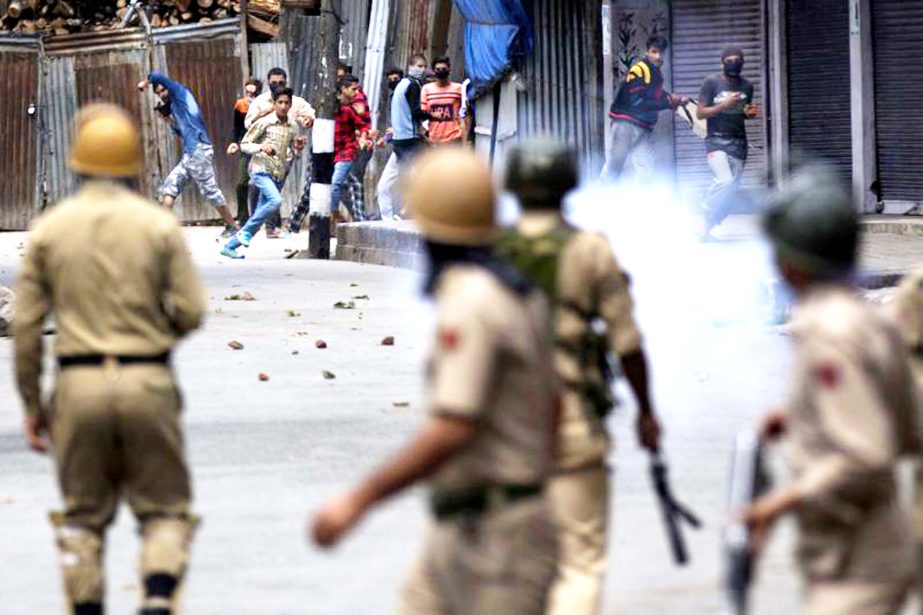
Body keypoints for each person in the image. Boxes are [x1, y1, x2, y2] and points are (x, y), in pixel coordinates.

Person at [311, 148, 560, 614]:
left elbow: (453, 427)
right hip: (472, 517)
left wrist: (359, 500)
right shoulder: (518, 287)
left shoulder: (471, 298)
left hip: (498, 533)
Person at [13, 103, 206, 615]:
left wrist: (34, 407)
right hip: (147, 380)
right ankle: (160, 597)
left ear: (76, 163)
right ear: (132, 163)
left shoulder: (49, 230)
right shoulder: (158, 226)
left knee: (82, 518)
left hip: (77, 387)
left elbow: (27, 329)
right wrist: (151, 339)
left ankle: (88, 605)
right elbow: (192, 310)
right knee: (165, 511)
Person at [743, 164, 920, 615]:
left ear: (789, 264)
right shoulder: (867, 321)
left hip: (858, 554)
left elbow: (868, 451)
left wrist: (778, 503)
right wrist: (802, 413)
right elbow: (903, 424)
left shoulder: (829, 334)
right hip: (875, 542)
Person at [499, 139, 662, 615]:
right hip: (573, 422)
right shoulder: (591, 250)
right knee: (579, 564)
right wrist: (646, 413)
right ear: (568, 185)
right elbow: (627, 345)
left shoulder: (491, 251)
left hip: (503, 427)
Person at [138, 72, 239, 232]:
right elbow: (180, 131)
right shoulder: (176, 106)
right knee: (170, 187)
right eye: (158, 93)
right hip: (190, 154)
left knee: (211, 192)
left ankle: (233, 226)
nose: (162, 94)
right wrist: (166, 118)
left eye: (163, 90)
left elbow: (157, 76)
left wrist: (145, 82)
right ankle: (162, 231)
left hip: (199, 150)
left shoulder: (180, 92)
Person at [222, 87, 305, 259]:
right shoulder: (263, 122)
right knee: (275, 201)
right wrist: (261, 147)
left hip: (277, 174)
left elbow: (294, 151)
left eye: (286, 103)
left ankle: (230, 246)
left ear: (290, 105)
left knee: (259, 217)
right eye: (279, 102)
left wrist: (298, 147)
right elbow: (245, 144)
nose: (283, 106)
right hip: (260, 171)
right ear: (274, 104)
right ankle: (243, 236)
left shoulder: (292, 126)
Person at [602, 35, 687, 181]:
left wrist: (673, 100)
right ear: (647, 52)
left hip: (642, 126)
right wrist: (668, 102)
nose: (658, 56)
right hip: (626, 124)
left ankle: (639, 202)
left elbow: (654, 95)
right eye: (654, 52)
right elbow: (638, 102)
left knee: (646, 169)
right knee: (615, 165)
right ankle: (599, 199)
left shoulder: (655, 73)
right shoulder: (639, 70)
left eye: (661, 52)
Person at [694, 46, 758, 240]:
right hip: (716, 141)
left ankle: (707, 228)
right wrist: (724, 104)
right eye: (729, 60)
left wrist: (748, 113)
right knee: (725, 181)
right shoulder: (711, 83)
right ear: (723, 62)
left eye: (737, 60)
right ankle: (703, 217)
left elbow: (743, 113)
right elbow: (700, 112)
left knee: (730, 191)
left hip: (739, 143)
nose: (734, 63)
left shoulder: (747, 85)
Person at [245, 67, 316, 237]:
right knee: (255, 186)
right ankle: (252, 223)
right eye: (274, 83)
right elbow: (248, 124)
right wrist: (264, 115)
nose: (277, 85)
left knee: (275, 190)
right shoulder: (260, 102)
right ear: (268, 83)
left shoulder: (295, 102)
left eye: (281, 83)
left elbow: (310, 115)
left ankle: (268, 227)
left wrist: (308, 120)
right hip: (262, 154)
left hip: (284, 156)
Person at [228, 78, 262, 225]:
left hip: (262, 147)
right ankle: (243, 218)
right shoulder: (241, 105)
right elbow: (236, 127)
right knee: (242, 182)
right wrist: (235, 142)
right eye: (247, 92)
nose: (249, 96)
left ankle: (271, 221)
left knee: (266, 183)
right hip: (246, 146)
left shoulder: (264, 105)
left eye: (252, 93)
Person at [375, 67, 405, 221]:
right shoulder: (394, 99)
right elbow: (395, 129)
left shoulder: (408, 98)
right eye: (391, 79)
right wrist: (386, 139)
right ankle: (388, 222)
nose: (393, 82)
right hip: (399, 150)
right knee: (383, 187)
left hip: (413, 151)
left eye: (396, 79)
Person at [390, 54, 433, 164]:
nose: (422, 70)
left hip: (398, 137)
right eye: (419, 66)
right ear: (410, 66)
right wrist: (433, 116)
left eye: (424, 66)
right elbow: (416, 111)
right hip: (409, 135)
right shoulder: (413, 85)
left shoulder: (402, 83)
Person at [421, 56, 469, 146]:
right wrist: (425, 137)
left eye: (444, 69)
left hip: (454, 140)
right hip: (434, 141)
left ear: (449, 69)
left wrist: (464, 142)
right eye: (438, 69)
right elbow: (421, 114)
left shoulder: (458, 89)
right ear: (434, 70)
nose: (441, 71)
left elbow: (464, 116)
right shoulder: (426, 89)